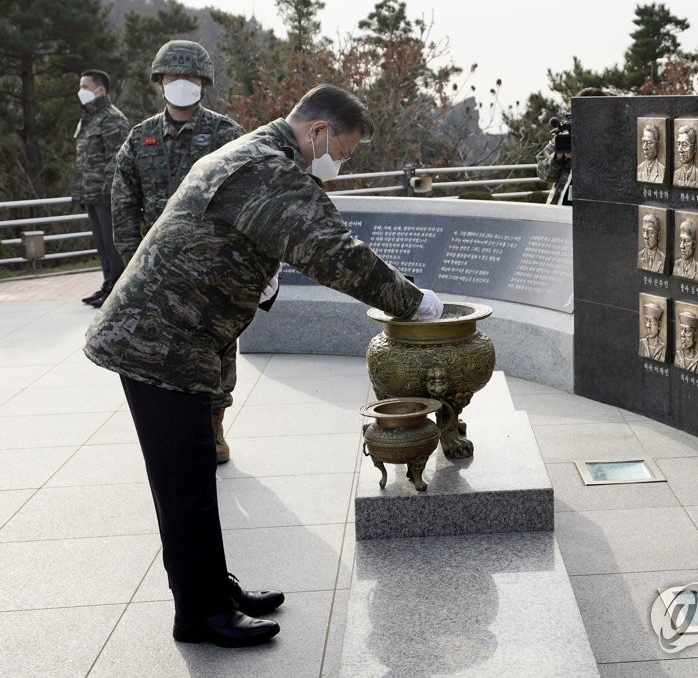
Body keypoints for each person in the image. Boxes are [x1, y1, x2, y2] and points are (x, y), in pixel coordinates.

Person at [83, 84, 445, 648]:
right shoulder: (271, 169)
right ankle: (199, 615)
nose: (338, 163)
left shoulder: (252, 149)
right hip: (159, 342)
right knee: (184, 484)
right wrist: (414, 302)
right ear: (319, 131)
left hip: (174, 336)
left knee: (193, 477)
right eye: (342, 151)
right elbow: (333, 251)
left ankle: (212, 587)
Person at [112, 40, 245, 464]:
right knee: (164, 350)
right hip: (158, 268)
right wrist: (133, 260)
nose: (181, 84)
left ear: (204, 83)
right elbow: (123, 201)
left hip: (213, 266)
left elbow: (248, 195)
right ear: (160, 81)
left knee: (217, 348)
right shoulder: (141, 138)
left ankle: (214, 425)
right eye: (173, 76)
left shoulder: (227, 135)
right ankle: (175, 427)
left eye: (190, 77)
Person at [74, 69, 130, 308]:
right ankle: (107, 285)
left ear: (100, 90)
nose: (80, 91)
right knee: (101, 243)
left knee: (112, 244)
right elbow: (82, 160)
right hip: (91, 194)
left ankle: (116, 290)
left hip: (106, 194)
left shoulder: (112, 118)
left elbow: (116, 159)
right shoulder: (88, 119)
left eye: (85, 87)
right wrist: (80, 191)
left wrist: (108, 190)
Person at [536, 88, 605, 205]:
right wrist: (558, 157)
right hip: (558, 206)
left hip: (594, 209)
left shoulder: (610, 140)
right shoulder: (565, 134)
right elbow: (542, 173)